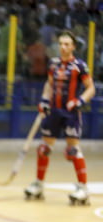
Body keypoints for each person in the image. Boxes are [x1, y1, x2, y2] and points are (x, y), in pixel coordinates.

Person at [25, 31, 95, 205]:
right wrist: (44, 100)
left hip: (71, 113)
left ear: (73, 47)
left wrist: (80, 100)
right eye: (61, 44)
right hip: (54, 111)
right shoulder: (53, 64)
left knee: (72, 150)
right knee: (43, 148)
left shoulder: (80, 66)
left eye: (66, 44)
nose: (63, 47)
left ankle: (82, 189)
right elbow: (49, 84)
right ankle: (39, 185)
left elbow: (91, 89)